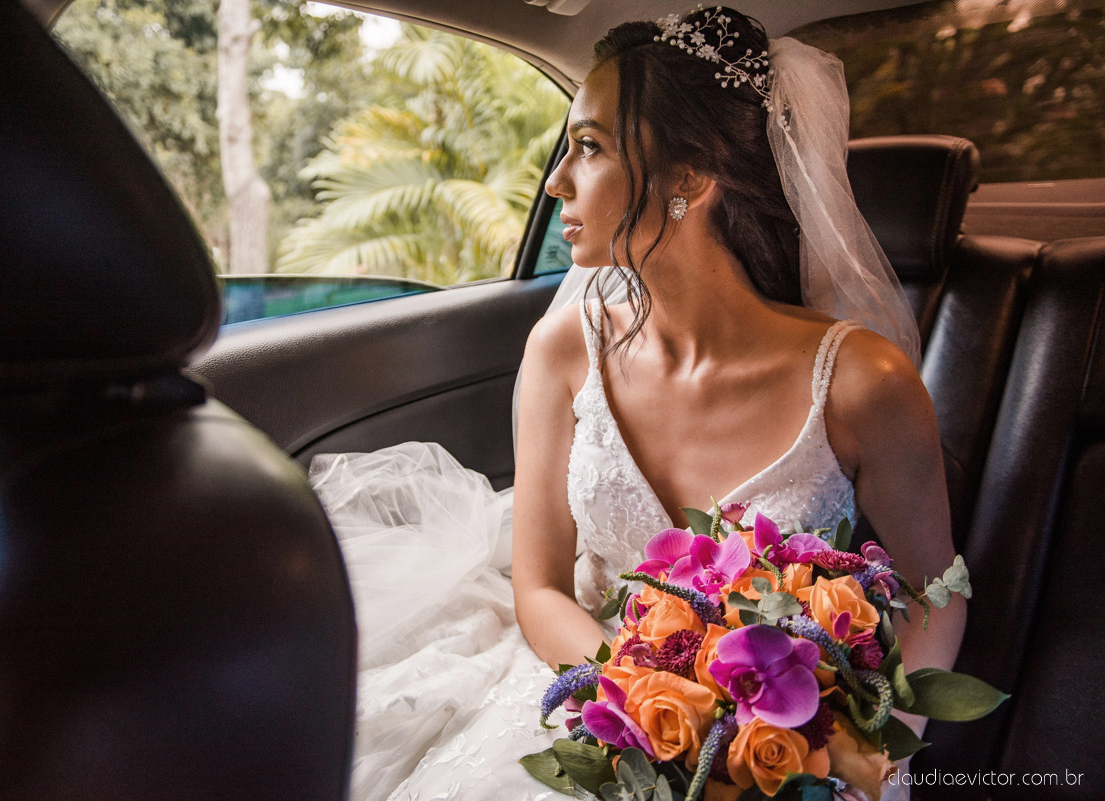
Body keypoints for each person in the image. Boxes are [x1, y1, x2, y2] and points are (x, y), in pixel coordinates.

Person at [310, 7, 967, 800]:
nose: (557, 178)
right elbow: (541, 587)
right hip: (584, 688)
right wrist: (648, 712)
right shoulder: (560, 351)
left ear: (689, 176)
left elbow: (938, 589)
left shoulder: (865, 381)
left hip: (782, 743)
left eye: (588, 147)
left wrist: (868, 754)